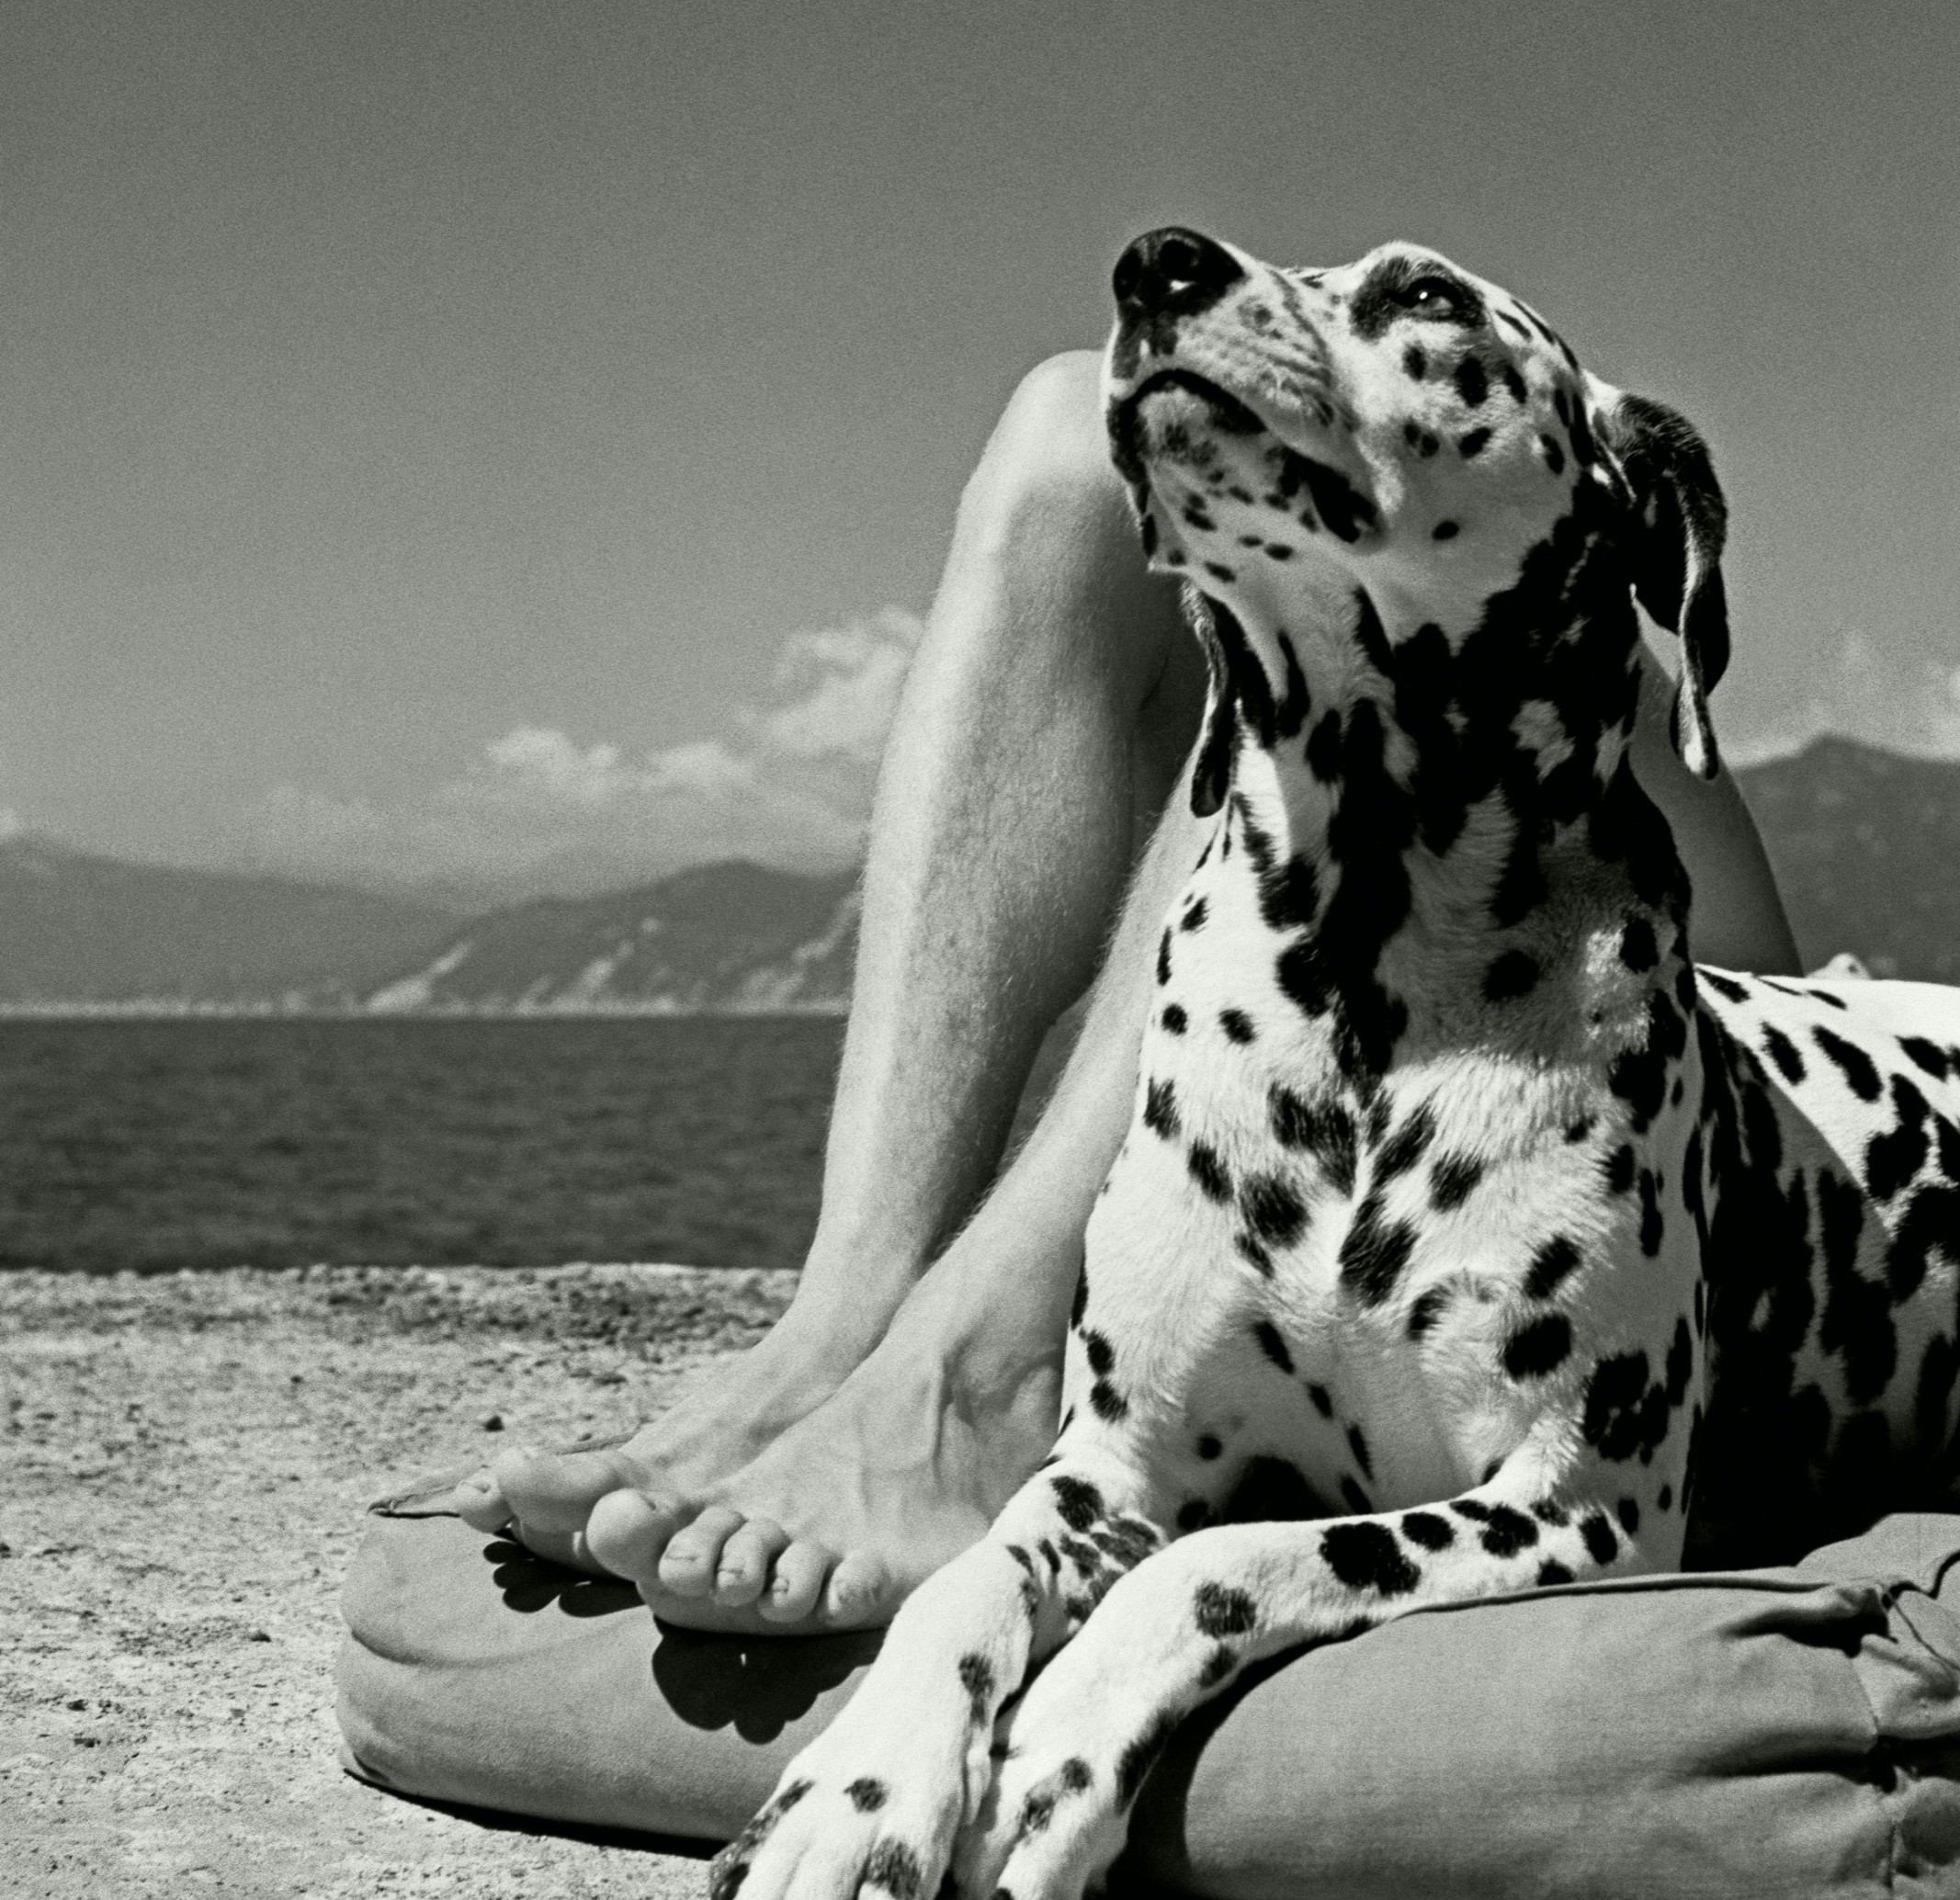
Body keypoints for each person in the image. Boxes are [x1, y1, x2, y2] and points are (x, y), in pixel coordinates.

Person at [451, 348, 1804, 1636]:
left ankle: (989, 1372)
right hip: (1428, 995)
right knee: (1072, 433)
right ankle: (847, 1322)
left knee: (1320, 566)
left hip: (1694, 1071)